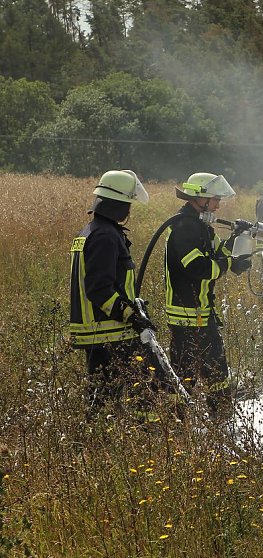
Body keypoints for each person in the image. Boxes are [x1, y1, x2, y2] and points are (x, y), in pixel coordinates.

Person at [69, 170, 160, 417]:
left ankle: (99, 441)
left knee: (103, 398)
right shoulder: (106, 236)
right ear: (118, 204)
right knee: (144, 389)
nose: (129, 210)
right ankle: (147, 437)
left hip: (101, 332)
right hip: (109, 332)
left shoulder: (91, 231)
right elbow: (99, 289)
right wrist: (132, 316)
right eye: (128, 203)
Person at [164, 172, 252, 418]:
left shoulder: (201, 227)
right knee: (196, 372)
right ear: (200, 199)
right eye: (215, 199)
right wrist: (225, 265)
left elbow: (220, 252)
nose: (218, 205)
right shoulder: (184, 228)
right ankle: (195, 422)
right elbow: (198, 268)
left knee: (206, 371)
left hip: (200, 312)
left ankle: (210, 419)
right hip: (189, 315)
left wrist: (236, 240)